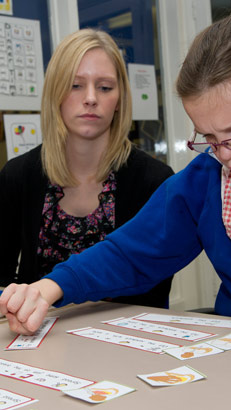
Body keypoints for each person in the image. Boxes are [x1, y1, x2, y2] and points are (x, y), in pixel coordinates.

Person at [1, 11, 231, 335]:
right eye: (209, 138)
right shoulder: (205, 179)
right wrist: (49, 287)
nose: (225, 153)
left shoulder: (153, 174)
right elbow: (131, 253)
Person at [0, 28, 174, 309]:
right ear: (55, 93)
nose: (91, 98)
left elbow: (152, 286)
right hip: (37, 340)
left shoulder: (154, 181)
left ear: (119, 100)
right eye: (75, 85)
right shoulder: (18, 176)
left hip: (125, 341)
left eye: (105, 87)